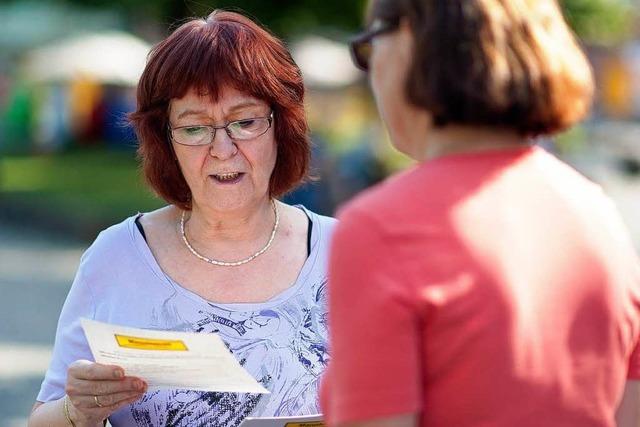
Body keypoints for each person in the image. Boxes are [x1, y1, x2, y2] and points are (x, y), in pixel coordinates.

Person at [321, 1, 640, 426]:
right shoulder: (597, 212)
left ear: (409, 42)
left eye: (367, 47)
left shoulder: (382, 226)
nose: (370, 68)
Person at [29, 10, 335, 427]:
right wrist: (76, 409)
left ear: (281, 127)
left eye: (245, 122)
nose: (223, 149)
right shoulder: (115, 257)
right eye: (195, 128)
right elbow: (43, 418)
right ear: (165, 140)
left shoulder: (346, 252)